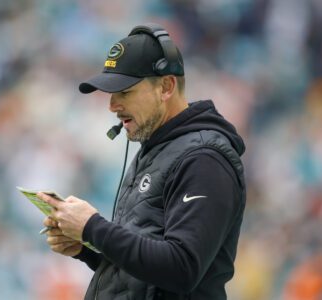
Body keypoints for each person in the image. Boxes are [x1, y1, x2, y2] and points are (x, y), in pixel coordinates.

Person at [36, 23, 246, 300]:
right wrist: (85, 248)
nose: (112, 105)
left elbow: (182, 268)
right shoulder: (158, 149)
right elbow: (146, 279)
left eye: (125, 92)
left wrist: (93, 228)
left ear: (166, 87)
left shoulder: (204, 159)